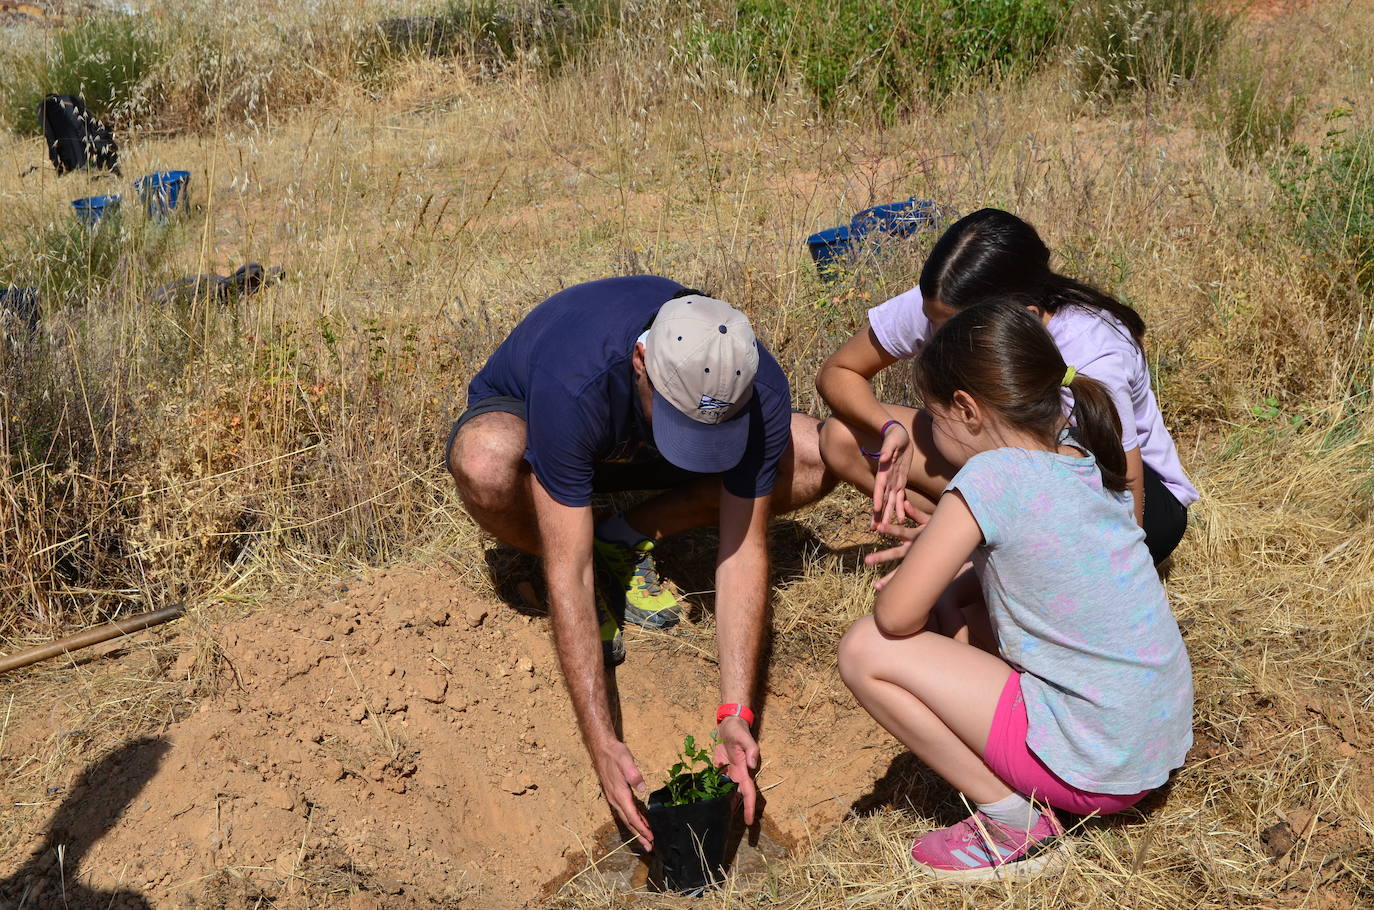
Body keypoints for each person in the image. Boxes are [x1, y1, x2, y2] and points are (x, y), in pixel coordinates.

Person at [446, 275, 835, 849]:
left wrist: (736, 712)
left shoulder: (752, 379)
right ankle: (586, 547)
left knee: (808, 456)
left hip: (644, 445)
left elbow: (743, 549)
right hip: (548, 432)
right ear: (640, 360)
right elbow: (567, 576)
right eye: (677, 414)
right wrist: (603, 744)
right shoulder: (575, 377)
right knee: (485, 458)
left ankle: (621, 535)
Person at [837, 299, 1194, 881]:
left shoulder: (989, 476)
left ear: (966, 409)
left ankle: (1012, 823)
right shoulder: (1082, 455)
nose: (929, 434)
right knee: (963, 606)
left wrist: (917, 567)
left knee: (865, 649)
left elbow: (896, 617)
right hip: (1151, 745)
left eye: (930, 417)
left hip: (1095, 770)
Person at [817, 208, 1198, 565]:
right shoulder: (946, 302)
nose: (936, 336)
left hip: (1132, 499)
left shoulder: (1092, 353)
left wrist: (1119, 571)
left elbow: (1124, 484)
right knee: (843, 438)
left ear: (1025, 320)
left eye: (950, 328)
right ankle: (970, 548)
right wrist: (889, 428)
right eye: (931, 321)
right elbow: (839, 370)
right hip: (1019, 471)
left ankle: (991, 554)